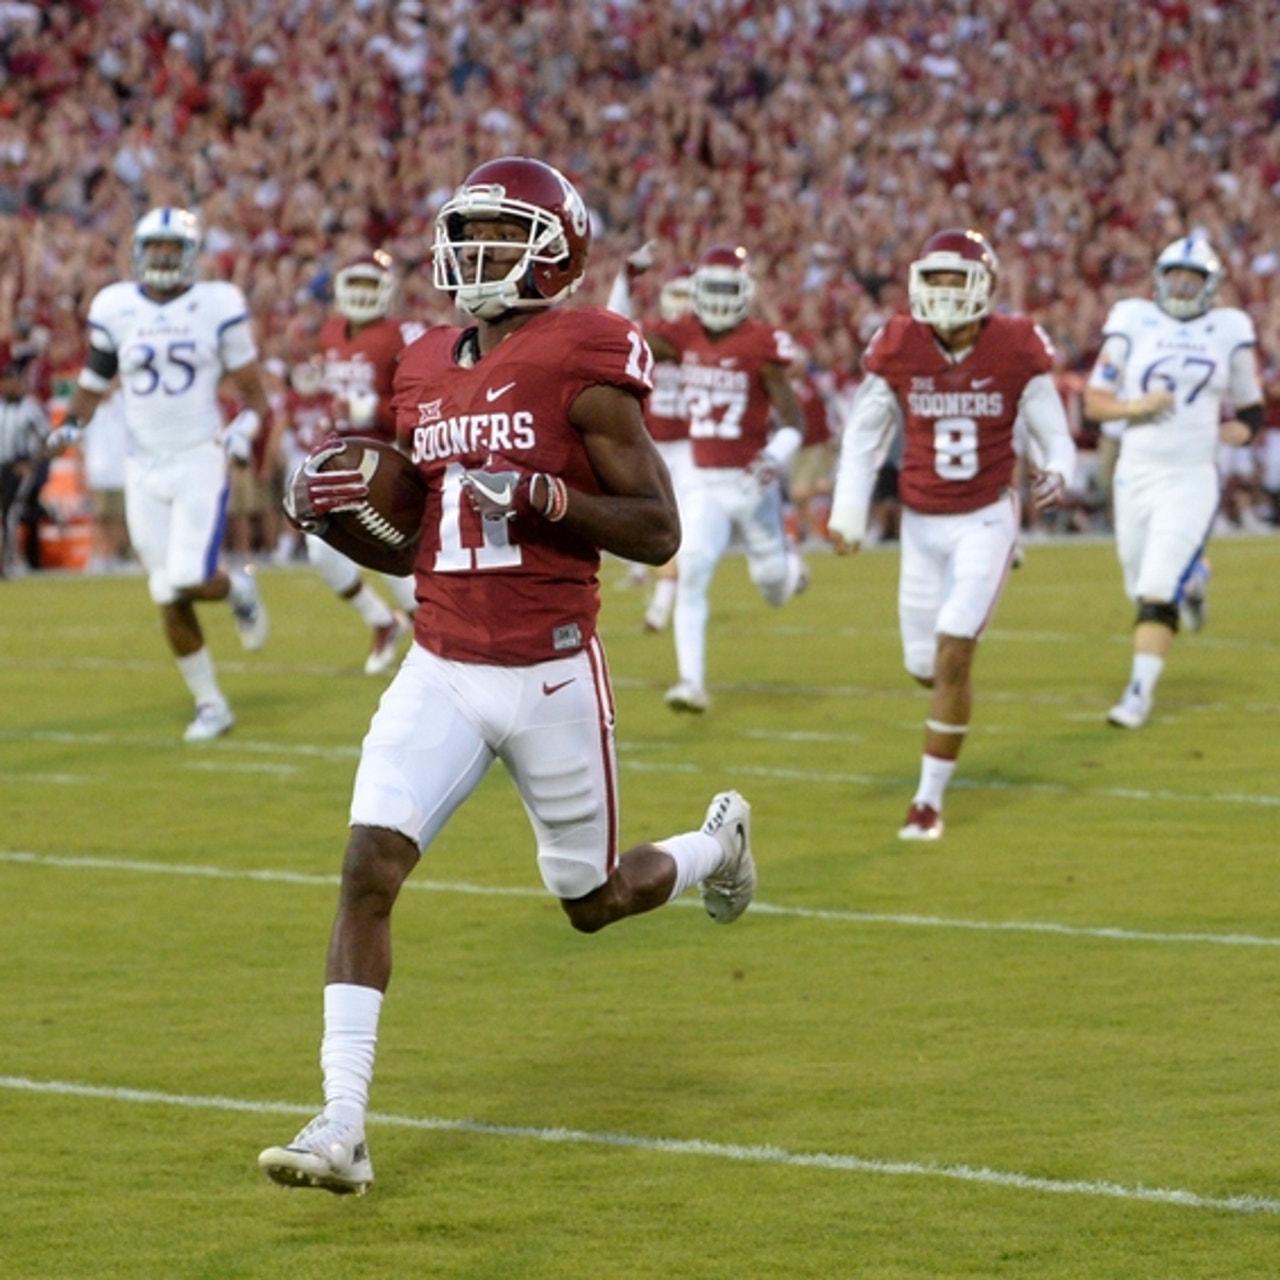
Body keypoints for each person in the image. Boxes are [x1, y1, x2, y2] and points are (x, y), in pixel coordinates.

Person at [258, 156, 757, 1196]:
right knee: (365, 869)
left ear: (557, 250)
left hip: (548, 672)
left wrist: (548, 497)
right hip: (438, 660)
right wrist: (345, 520)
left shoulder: (586, 349)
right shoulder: (419, 362)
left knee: (589, 897)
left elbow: (659, 530)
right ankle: (341, 1122)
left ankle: (713, 846)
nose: (474, 255)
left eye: (501, 235)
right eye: (467, 234)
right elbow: (415, 545)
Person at [828, 228, 1076, 840]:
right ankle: (950, 703)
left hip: (986, 514)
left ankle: (927, 802)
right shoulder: (900, 345)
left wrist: (1059, 470)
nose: (942, 293)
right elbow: (864, 435)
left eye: (954, 279)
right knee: (925, 666)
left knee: (953, 649)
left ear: (984, 286)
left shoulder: (1016, 345)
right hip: (920, 524)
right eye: (933, 279)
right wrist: (849, 508)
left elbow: (1053, 430)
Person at [49, 206, 271, 742]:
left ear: (191, 256)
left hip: (198, 457)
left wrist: (244, 431)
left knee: (188, 577)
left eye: (174, 250)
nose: (164, 259)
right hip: (142, 464)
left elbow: (257, 397)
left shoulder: (217, 305)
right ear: (139, 255)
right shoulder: (115, 306)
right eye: (156, 250)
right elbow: (95, 379)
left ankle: (237, 589)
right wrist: (72, 423)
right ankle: (211, 703)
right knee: (164, 591)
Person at [1082, 233, 1265, 729]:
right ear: (1160, 279)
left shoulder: (1230, 328)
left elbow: (1252, 405)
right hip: (1136, 472)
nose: (1183, 287)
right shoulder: (1132, 319)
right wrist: (1133, 406)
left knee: (1157, 589)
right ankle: (1196, 579)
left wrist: (1242, 429)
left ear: (1211, 286)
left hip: (1191, 474)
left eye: (1193, 279)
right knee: (1137, 582)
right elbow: (1094, 401)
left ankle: (1138, 695)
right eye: (1175, 277)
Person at [646, 243, 810, 713]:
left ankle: (793, 568)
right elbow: (625, 336)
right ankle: (690, 682)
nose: (717, 299)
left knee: (774, 587)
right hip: (703, 482)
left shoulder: (760, 342)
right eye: (710, 288)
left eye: (726, 288)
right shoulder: (683, 334)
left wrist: (773, 456)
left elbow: (795, 420)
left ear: (745, 291)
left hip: (751, 482)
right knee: (693, 572)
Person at [274, 250, 423, 675]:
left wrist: (369, 409)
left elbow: (422, 406)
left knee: (393, 550)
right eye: (353, 284)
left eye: (368, 285)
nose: (360, 294)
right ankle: (381, 620)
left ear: (386, 289)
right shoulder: (331, 332)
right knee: (320, 551)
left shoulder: (403, 333)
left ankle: (429, 631)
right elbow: (328, 391)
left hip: (386, 460)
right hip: (336, 455)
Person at [606, 244, 695, 631]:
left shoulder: (706, 336)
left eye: (687, 295)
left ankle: (661, 607)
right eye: (675, 294)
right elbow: (613, 323)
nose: (681, 304)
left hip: (695, 449)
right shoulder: (654, 334)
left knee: (681, 531)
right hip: (654, 444)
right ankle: (658, 598)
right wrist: (625, 279)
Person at [0, 345, 50, 576]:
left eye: (12, 381)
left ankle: (8, 563)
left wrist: (31, 463)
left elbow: (46, 438)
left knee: (11, 512)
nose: (8, 385)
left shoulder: (30, 408)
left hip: (19, 466)